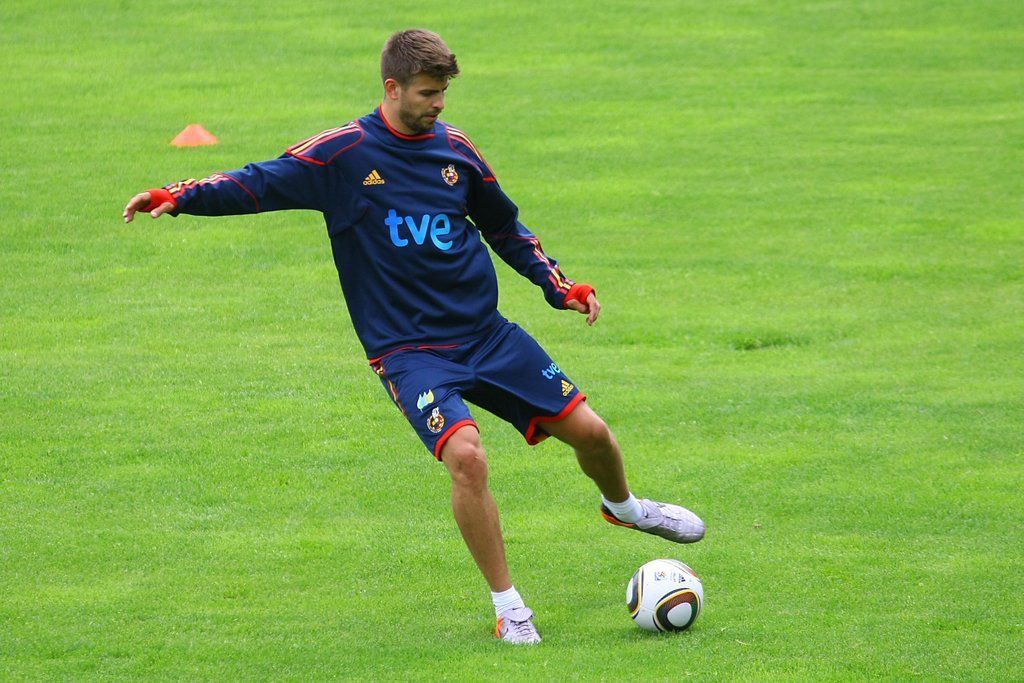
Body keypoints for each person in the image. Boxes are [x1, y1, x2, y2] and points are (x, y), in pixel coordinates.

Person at [123, 29, 704, 645]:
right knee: (467, 457)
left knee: (592, 433)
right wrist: (178, 197)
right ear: (392, 87)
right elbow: (257, 182)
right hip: (409, 353)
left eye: (444, 92)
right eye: (428, 92)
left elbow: (505, 228)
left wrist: (560, 287)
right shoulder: (343, 155)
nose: (439, 104)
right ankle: (509, 607)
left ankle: (624, 508)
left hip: (486, 335)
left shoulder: (456, 151)